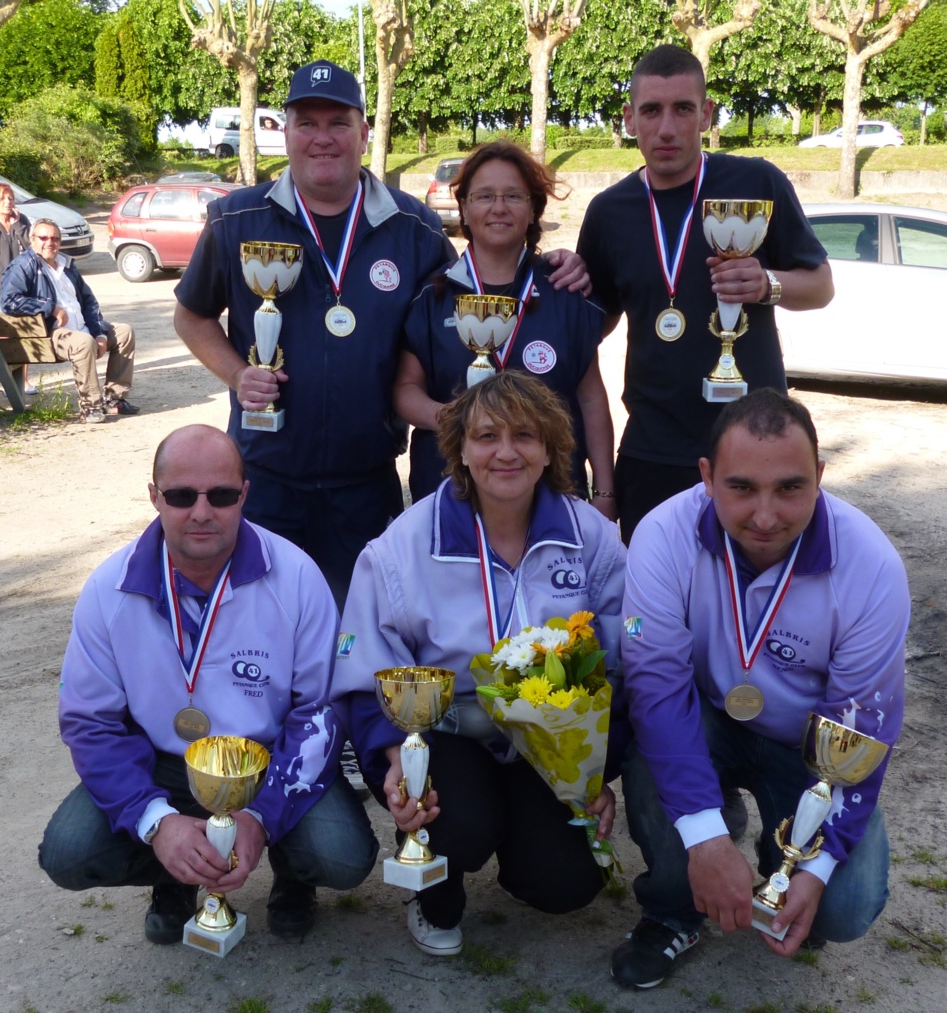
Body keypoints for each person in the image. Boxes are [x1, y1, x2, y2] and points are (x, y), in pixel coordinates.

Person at [174, 60, 587, 612]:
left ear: (364, 132)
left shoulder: (414, 229)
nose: (323, 138)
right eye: (307, 122)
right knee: (260, 623)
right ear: (287, 132)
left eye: (339, 123)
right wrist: (236, 373)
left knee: (358, 633)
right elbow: (191, 315)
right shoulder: (235, 218)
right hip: (266, 471)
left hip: (365, 482)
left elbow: (478, 294)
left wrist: (552, 263)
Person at [612, 388, 907, 990]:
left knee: (842, 909)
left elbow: (859, 728)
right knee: (654, 766)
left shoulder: (871, 564)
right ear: (707, 476)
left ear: (820, 476)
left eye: (791, 488)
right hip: (706, 720)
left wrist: (818, 867)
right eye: (741, 487)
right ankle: (673, 909)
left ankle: (785, 873)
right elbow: (658, 691)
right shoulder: (662, 535)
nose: (765, 515)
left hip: (808, 744)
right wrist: (703, 837)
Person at [38, 425, 378, 944]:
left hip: (267, 761)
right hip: (160, 761)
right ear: (154, 496)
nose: (201, 512)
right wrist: (157, 823)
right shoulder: (108, 589)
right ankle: (175, 874)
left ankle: (292, 879)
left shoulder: (296, 577)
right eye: (180, 496)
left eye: (220, 495)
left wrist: (262, 818)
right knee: (68, 852)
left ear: (244, 494)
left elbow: (322, 711)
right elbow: (91, 722)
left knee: (342, 855)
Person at [332, 371, 626, 957]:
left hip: (550, 742)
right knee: (458, 823)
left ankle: (522, 847)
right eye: (487, 436)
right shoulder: (403, 546)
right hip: (445, 735)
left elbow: (624, 664)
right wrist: (396, 762)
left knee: (568, 882)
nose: (506, 452)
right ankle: (435, 890)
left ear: (550, 448)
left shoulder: (591, 539)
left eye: (525, 435)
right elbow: (366, 674)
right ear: (460, 449)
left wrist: (593, 771)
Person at [577, 44, 834, 544]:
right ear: (630, 118)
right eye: (651, 110)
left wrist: (767, 283)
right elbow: (595, 320)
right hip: (653, 446)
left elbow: (821, 285)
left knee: (753, 600)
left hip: (755, 446)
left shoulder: (756, 181)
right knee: (647, 613)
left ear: (707, 114)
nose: (667, 128)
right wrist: (561, 274)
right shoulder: (609, 211)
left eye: (683, 109)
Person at [395, 140, 616, 518]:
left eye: (513, 196)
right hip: (450, 491)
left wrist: (606, 493)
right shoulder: (431, 295)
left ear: (532, 209)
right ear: (464, 207)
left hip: (552, 492)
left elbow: (592, 398)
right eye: (484, 196)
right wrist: (451, 417)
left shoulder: (565, 291)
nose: (498, 208)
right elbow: (404, 390)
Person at [0, 219, 138, 423]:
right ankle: (90, 406)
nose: (50, 242)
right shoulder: (23, 266)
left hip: (82, 329)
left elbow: (89, 301)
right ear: (32, 240)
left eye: (55, 238)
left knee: (124, 332)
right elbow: (9, 300)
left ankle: (113, 399)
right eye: (44, 237)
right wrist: (49, 308)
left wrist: (99, 333)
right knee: (84, 342)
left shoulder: (67, 265)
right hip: (51, 333)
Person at [0, 183, 34, 389]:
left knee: (23, 334)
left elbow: (34, 249)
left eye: (11, 198)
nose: (8, 203)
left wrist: (17, 226)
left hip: (23, 288)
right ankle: (10, 384)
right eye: (3, 199)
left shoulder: (22, 221)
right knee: (7, 336)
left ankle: (23, 382)